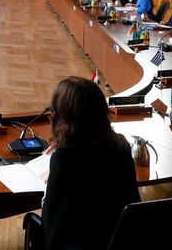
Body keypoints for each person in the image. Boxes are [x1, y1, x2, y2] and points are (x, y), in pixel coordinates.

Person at [41, 77, 139, 249]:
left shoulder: (64, 159)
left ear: (59, 114)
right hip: (119, 240)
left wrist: (51, 181)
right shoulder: (121, 147)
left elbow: (52, 227)